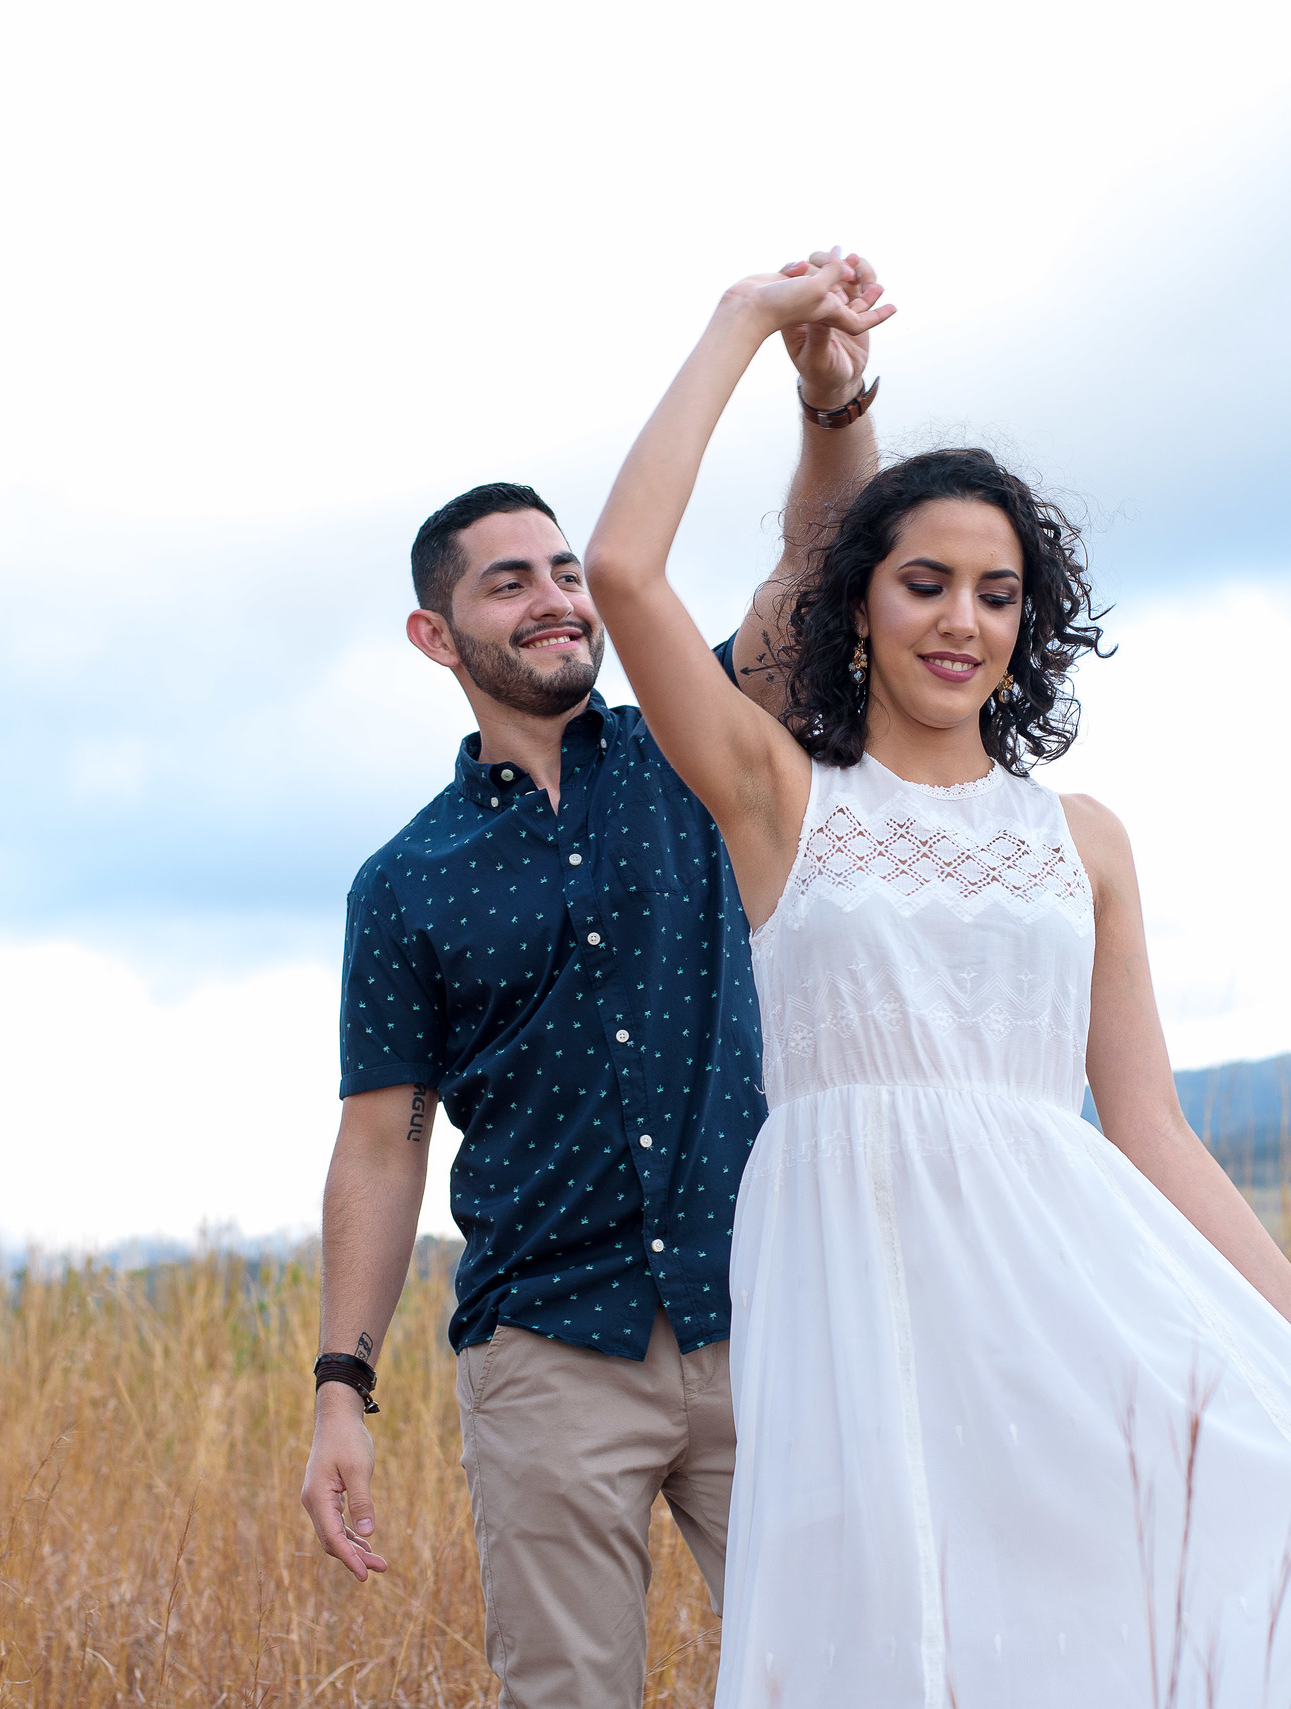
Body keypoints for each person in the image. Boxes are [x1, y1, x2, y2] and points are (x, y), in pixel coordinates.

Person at [581, 255, 1291, 1706]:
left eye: (996, 594)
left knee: (1161, 1601)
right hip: (857, 1291)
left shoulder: (1086, 841)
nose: (962, 621)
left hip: (1064, 1301)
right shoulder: (781, 800)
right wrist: (747, 322)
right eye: (924, 583)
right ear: (857, 606)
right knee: (884, 1645)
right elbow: (624, 571)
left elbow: (1154, 1131)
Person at [298, 253, 892, 1707]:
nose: (557, 599)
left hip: (766, 1315)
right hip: (547, 1353)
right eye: (510, 583)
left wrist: (831, 398)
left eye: (567, 571)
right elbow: (382, 1139)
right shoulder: (405, 880)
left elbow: (816, 578)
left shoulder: (698, 750)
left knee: (851, 1675)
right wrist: (340, 1388)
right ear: (436, 635)